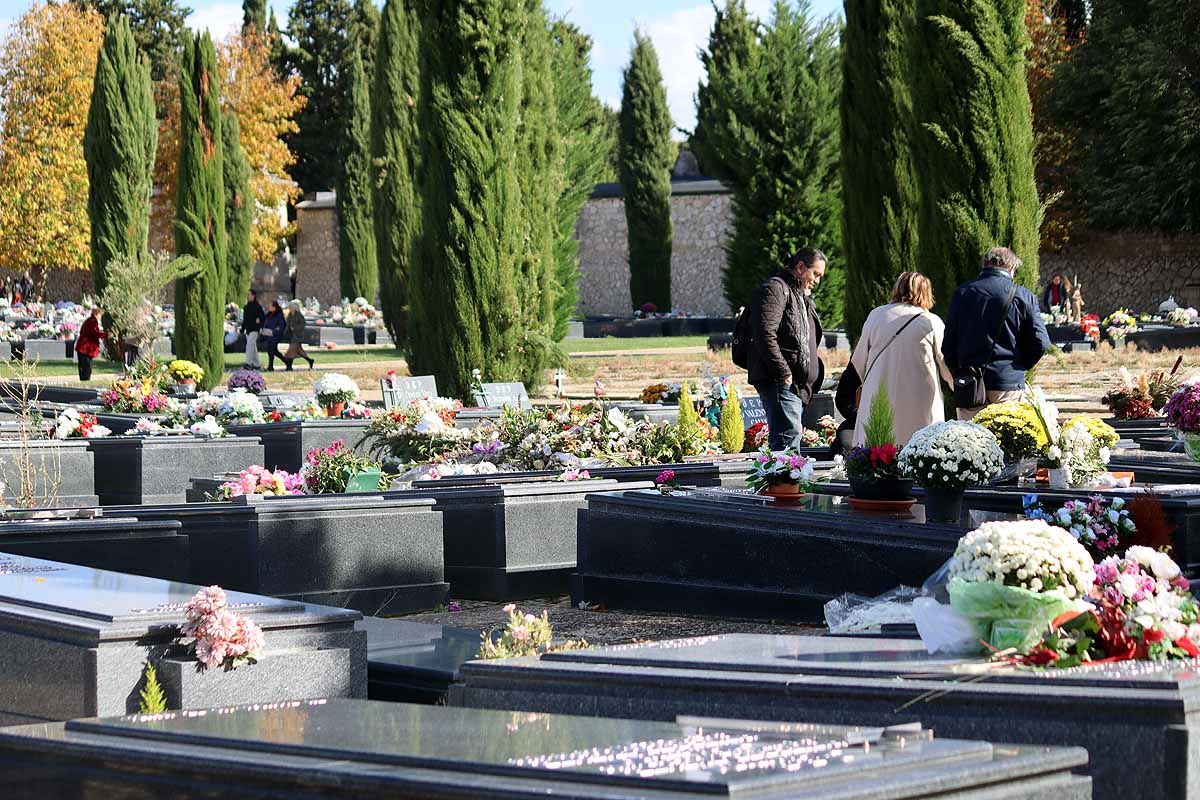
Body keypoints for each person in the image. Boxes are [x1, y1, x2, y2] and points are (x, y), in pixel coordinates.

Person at [943, 247, 1051, 421]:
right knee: (1007, 441)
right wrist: (1018, 366)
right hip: (1007, 383)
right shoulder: (1022, 295)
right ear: (1011, 267)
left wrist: (959, 371)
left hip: (970, 383)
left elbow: (948, 344)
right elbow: (1041, 342)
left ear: (985, 264)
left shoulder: (962, 293)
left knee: (969, 442)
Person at [850, 272, 953, 445]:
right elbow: (946, 365)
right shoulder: (931, 321)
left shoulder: (876, 315)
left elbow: (858, 360)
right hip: (920, 396)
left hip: (879, 391)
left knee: (880, 445)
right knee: (920, 445)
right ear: (926, 292)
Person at [746, 248, 826, 450]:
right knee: (786, 448)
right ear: (800, 267)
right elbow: (764, 334)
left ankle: (788, 483)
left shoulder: (800, 295)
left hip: (795, 386)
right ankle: (784, 483)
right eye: (815, 274)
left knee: (789, 446)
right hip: (781, 384)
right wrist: (783, 372)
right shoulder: (776, 288)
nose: (817, 281)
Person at [282, 299, 315, 371]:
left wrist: (295, 328)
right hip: (291, 336)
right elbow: (287, 324)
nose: (289, 308)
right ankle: (310, 360)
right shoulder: (290, 315)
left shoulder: (299, 315)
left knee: (290, 351)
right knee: (300, 351)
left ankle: (289, 367)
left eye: (291, 307)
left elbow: (303, 324)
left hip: (297, 336)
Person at [75, 307, 106, 381]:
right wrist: (106, 335)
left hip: (82, 346)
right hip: (86, 347)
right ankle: (86, 378)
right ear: (97, 314)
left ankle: (83, 378)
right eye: (100, 315)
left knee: (82, 365)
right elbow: (95, 333)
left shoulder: (88, 321)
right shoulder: (93, 322)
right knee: (87, 365)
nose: (100, 317)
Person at [241, 289, 265, 370]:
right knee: (253, 347)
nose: (247, 296)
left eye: (249, 294)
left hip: (255, 329)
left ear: (253, 296)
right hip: (248, 330)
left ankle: (248, 363)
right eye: (247, 295)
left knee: (249, 345)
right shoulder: (246, 307)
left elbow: (263, 317)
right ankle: (257, 364)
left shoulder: (257, 307)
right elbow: (245, 319)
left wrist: (259, 320)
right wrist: (242, 329)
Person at [261, 300, 287, 371]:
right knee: (274, 351)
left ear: (274, 307)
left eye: (270, 306)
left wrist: (274, 331)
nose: (269, 307)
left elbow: (281, 326)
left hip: (275, 336)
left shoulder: (278, 315)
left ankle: (270, 367)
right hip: (268, 335)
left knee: (271, 350)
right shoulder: (269, 314)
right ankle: (287, 362)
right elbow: (265, 322)